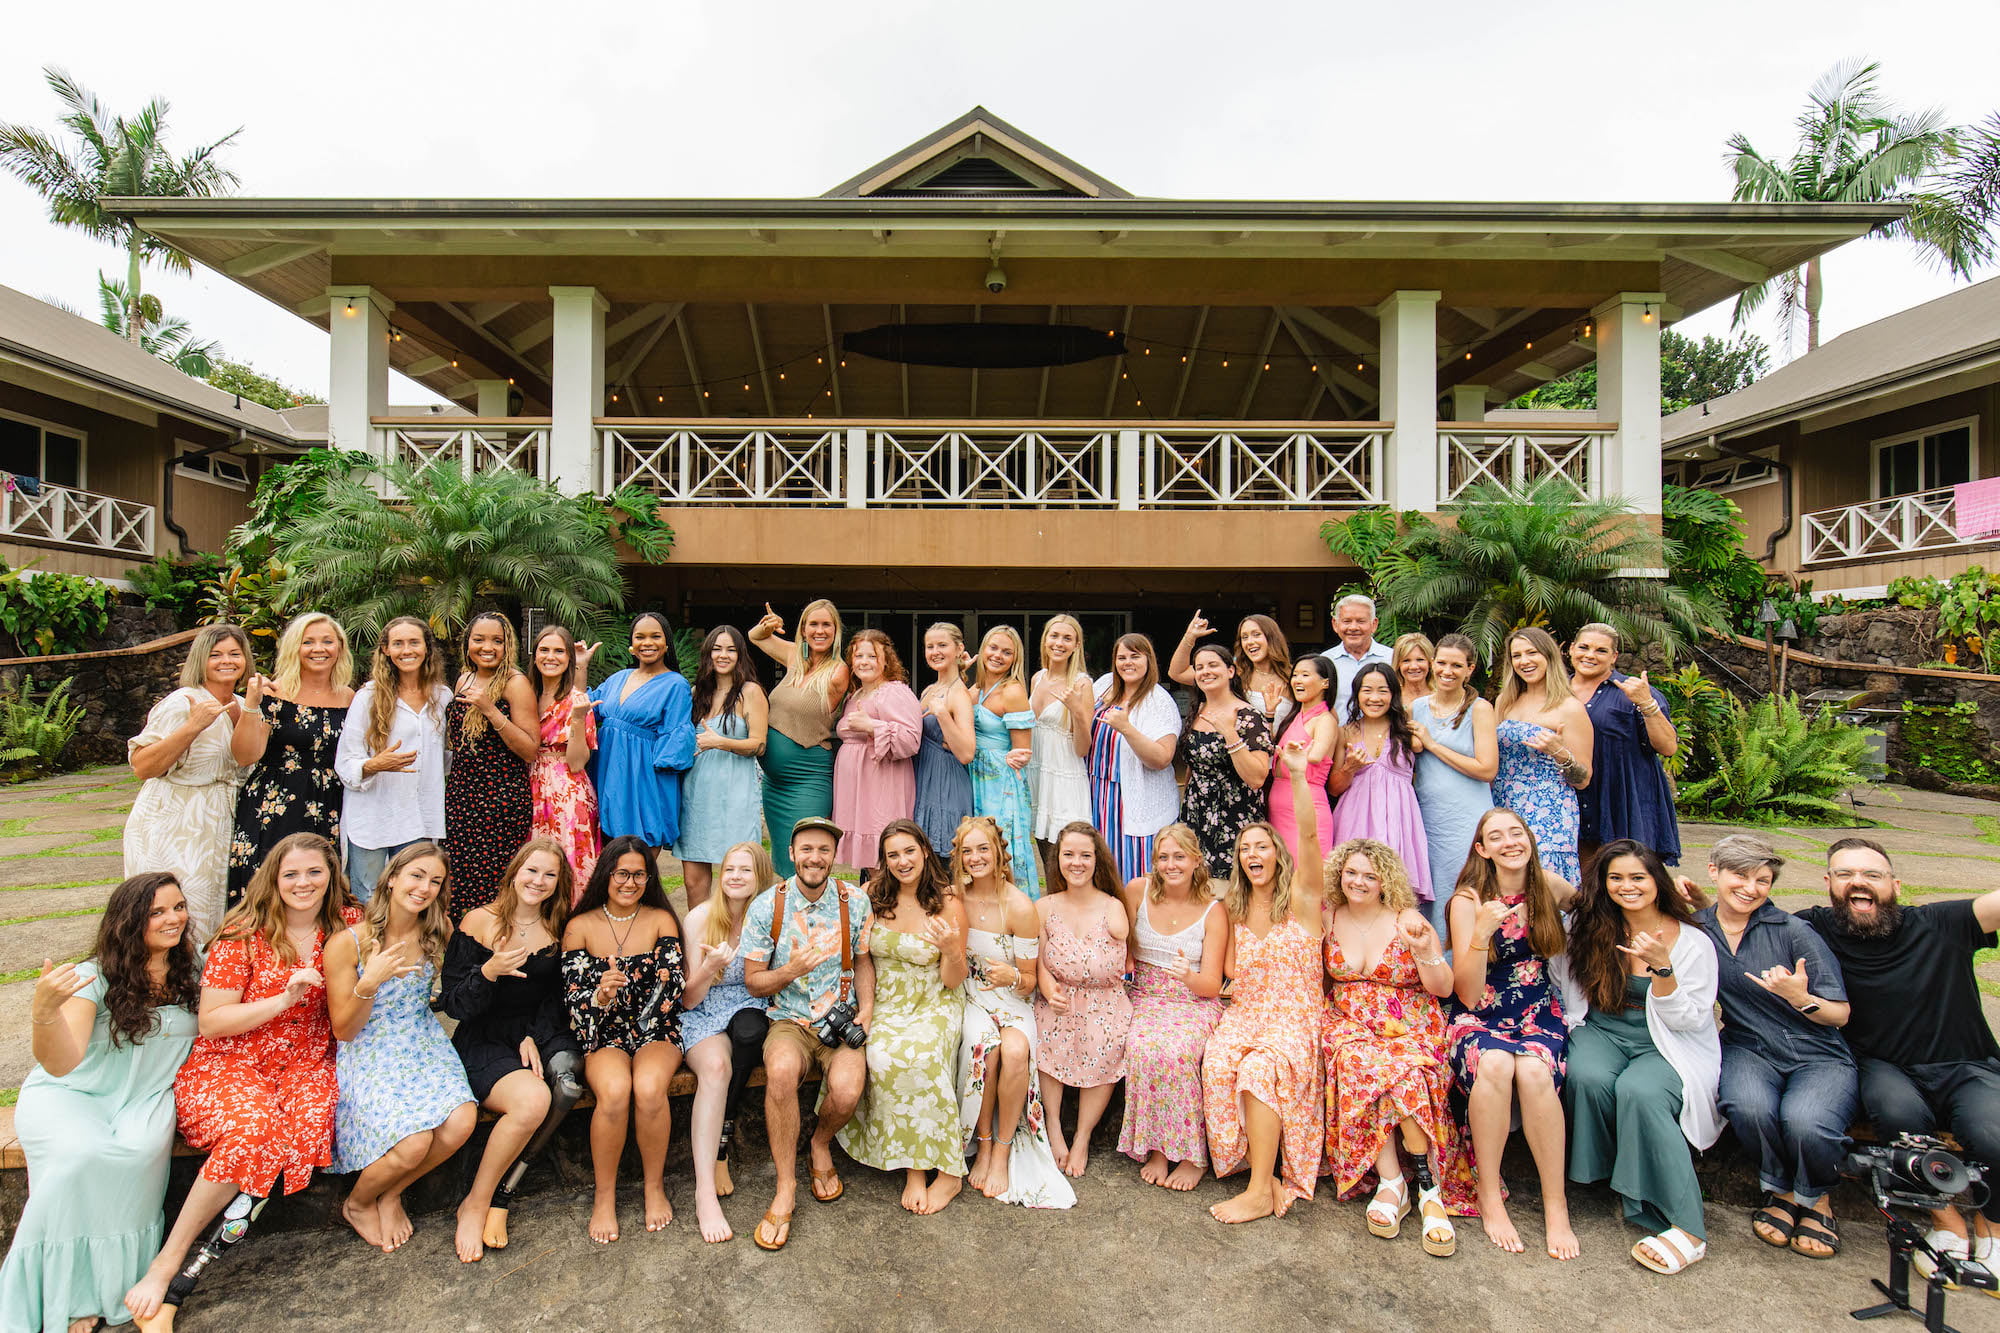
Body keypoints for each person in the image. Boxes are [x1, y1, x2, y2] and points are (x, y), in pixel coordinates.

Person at [124, 834, 358, 1332]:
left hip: (306, 1066)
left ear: (331, 876)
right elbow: (212, 1022)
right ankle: (168, 1263)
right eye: (290, 873)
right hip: (232, 1062)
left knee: (290, 1137)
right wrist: (282, 1000)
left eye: (314, 872)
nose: (303, 883)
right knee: (254, 1135)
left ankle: (185, 1283)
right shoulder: (243, 933)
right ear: (273, 877)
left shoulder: (350, 923)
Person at [0, 874, 198, 1333]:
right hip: (74, 1095)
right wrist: (44, 1013)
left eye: (179, 907)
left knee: (135, 1156)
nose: (174, 919)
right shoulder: (94, 976)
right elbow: (62, 1062)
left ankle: (108, 1290)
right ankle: (69, 1298)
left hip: (145, 1099)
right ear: (130, 922)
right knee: (79, 1156)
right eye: (158, 912)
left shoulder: (195, 968)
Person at [1796, 837, 2000, 1276]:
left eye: (1872, 874)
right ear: (1829, 883)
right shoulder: (1812, 929)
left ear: (1895, 884)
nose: (1858, 883)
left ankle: (1993, 1228)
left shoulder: (1941, 923)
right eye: (1846, 874)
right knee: (1897, 1114)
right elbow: (1740, 922)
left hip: (1964, 1062)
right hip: (1883, 1066)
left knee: (1993, 1132)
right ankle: (1946, 1225)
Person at [1559, 838, 1721, 1276]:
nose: (1627, 886)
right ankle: (1611, 1178)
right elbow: (1565, 979)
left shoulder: (1691, 942)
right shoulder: (1588, 927)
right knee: (1587, 1076)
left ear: (1657, 880)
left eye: (1637, 877)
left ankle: (1687, 1226)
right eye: (1616, 878)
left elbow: (1690, 1020)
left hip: (1665, 1040)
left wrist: (1663, 969)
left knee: (1641, 1092)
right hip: (1604, 1030)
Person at [1688, 834, 1853, 1262]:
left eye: (1762, 880)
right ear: (1714, 872)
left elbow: (1839, 1015)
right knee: (1747, 1106)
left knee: (1806, 1120)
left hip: (1816, 1051)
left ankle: (1818, 1200)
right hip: (1749, 1046)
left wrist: (1799, 997)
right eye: (1739, 876)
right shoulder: (1698, 927)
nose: (1750, 888)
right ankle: (1780, 1190)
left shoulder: (1795, 932)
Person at [1320, 837, 1472, 1257]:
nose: (1359, 881)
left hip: (1409, 1023)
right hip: (1349, 1022)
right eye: (1351, 872)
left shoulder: (1407, 918)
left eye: (1370, 874)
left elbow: (1442, 989)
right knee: (1357, 1061)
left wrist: (1426, 950)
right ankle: (1395, 1182)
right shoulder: (1329, 916)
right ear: (1339, 875)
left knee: (1401, 1070)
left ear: (1385, 880)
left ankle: (1424, 1185)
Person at [324, 842, 476, 1255]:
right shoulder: (347, 943)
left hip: (421, 1039)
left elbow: (464, 984)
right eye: (416, 876)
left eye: (435, 881)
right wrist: (369, 982)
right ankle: (356, 1203)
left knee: (462, 1121)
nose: (424, 887)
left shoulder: (438, 931)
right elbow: (344, 1030)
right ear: (391, 879)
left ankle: (391, 1195)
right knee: (412, 1143)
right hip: (369, 1045)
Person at [440, 839, 584, 1262]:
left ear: (560, 883)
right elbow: (454, 1003)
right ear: (515, 871)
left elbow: (555, 999)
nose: (538, 881)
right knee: (531, 1101)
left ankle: (497, 1196)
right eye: (532, 871)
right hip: (482, 1036)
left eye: (549, 875)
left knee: (566, 1085)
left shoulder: (558, 928)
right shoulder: (477, 922)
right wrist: (488, 971)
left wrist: (532, 1035)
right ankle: (477, 1203)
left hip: (535, 1034)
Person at [1202, 741, 1328, 1223]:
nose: (1253, 853)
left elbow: (1312, 841)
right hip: (1246, 1013)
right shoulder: (1232, 910)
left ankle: (1258, 1191)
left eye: (1262, 846)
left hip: (1294, 1018)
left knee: (1258, 1072)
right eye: (1245, 849)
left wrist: (1297, 775)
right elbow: (1231, 974)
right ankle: (1260, 1170)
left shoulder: (1301, 901)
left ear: (1278, 854)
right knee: (1216, 1065)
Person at [1447, 807, 1579, 1260]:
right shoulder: (1468, 900)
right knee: (1497, 1063)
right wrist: (1481, 933)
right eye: (1496, 837)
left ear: (1529, 839)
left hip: (1538, 1012)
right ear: (1482, 850)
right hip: (1479, 1014)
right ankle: (1487, 1193)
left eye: (1515, 832)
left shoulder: (1549, 886)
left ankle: (1555, 1204)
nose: (1509, 842)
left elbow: (1605, 912)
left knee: (1537, 1073)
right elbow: (1464, 992)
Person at [743, 816, 876, 1249]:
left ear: (833, 856)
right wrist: (790, 971)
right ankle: (786, 1186)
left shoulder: (854, 901)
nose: (814, 858)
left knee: (848, 1089)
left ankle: (820, 1143)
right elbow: (754, 982)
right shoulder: (768, 905)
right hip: (790, 1019)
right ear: (792, 853)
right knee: (780, 1072)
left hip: (840, 1020)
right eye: (807, 849)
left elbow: (865, 961)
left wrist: (868, 1009)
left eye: (823, 850)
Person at [838, 820, 970, 1215]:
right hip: (886, 1000)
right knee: (880, 1055)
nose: (902, 861)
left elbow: (953, 980)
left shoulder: (948, 902)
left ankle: (942, 1172)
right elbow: (861, 959)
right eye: (892, 855)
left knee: (923, 1056)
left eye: (909, 851)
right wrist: (867, 1005)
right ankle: (911, 1165)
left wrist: (951, 950)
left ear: (925, 852)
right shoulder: (871, 896)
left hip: (934, 999)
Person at [562, 837, 686, 1243]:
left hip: (656, 1027)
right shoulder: (579, 927)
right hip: (602, 1031)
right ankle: (605, 1196)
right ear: (606, 874)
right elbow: (573, 1001)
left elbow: (671, 990)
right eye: (622, 873)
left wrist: (627, 992)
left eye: (639, 874)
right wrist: (601, 995)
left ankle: (654, 1186)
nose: (630, 882)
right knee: (614, 1092)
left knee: (650, 1089)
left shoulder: (660, 920)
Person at [952, 815, 1075, 1209]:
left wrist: (1011, 976)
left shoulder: (1020, 906)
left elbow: (1028, 982)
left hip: (1011, 999)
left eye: (982, 849)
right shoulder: (955, 898)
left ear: (999, 853)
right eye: (967, 851)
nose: (975, 858)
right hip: (971, 996)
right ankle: (982, 1143)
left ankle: (1003, 1150)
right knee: (984, 1046)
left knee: (1017, 1051)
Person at [679, 842, 779, 1244]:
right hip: (704, 1008)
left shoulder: (770, 917)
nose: (736, 877)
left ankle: (723, 1144)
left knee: (752, 1033)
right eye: (730, 869)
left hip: (754, 1002)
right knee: (716, 1068)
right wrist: (708, 967)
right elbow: (688, 998)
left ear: (760, 878)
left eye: (746, 870)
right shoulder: (701, 918)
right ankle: (704, 1191)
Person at [126, 624, 250, 949]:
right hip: (174, 820)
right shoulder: (183, 702)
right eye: (216, 654)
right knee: (170, 911)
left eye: (234, 654)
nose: (227, 661)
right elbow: (142, 766)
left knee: (212, 915)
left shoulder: (245, 705)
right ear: (201, 660)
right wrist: (193, 726)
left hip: (221, 820)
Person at [1116, 823, 1226, 1191]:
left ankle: (1193, 1155)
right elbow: (1120, 941)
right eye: (1163, 857)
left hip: (1192, 1000)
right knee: (1143, 1046)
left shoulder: (1214, 911)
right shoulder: (1137, 890)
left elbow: (1212, 984)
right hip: (1144, 996)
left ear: (1196, 860)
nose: (1170, 864)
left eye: (1179, 856)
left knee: (1177, 1052)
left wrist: (1188, 977)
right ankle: (1158, 1150)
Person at [225, 612, 354, 906]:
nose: (318, 649)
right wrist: (251, 705)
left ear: (340, 648)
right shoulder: (274, 692)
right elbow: (246, 755)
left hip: (329, 804)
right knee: (270, 885)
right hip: (275, 801)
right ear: (294, 648)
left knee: (320, 889)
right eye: (308, 642)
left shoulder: (350, 698)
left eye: (327, 641)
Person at [1036, 822, 1133, 1178]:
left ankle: (1083, 1136)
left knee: (1106, 1039)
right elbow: (1039, 960)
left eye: (1085, 856)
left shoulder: (1113, 907)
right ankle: (1054, 1126)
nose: (1076, 863)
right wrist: (1048, 990)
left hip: (1104, 1000)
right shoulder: (1044, 907)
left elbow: (1124, 958)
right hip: (1059, 997)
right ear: (1057, 859)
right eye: (1068, 855)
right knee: (1047, 1028)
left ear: (1097, 861)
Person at [335, 616, 451, 904]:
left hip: (420, 816)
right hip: (373, 816)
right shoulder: (368, 697)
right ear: (385, 650)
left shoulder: (443, 697)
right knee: (369, 898)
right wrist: (375, 765)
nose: (406, 650)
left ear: (427, 649)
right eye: (397, 643)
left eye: (414, 642)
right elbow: (345, 761)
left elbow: (446, 760)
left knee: (415, 897)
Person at [444, 612, 538, 920]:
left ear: (508, 645)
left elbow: (529, 749)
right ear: (467, 643)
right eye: (479, 639)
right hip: (462, 796)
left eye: (497, 640)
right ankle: (466, 949)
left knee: (495, 883)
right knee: (463, 879)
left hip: (500, 799)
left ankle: (497, 947)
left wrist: (490, 710)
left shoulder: (515, 683)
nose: (488, 647)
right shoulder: (464, 679)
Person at [749, 600, 848, 878]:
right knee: (783, 855)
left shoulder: (839, 672)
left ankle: (814, 916)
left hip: (808, 778)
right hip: (774, 784)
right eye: (813, 624)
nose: (819, 631)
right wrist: (767, 627)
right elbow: (754, 638)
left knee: (807, 853)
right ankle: (789, 916)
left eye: (826, 625)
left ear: (836, 630)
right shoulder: (795, 659)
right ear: (803, 630)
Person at [1568, 623, 1680, 867]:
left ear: (1614, 657)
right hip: (1569, 797)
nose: (1590, 655)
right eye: (1584, 647)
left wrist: (1646, 704)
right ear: (1571, 649)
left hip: (1622, 798)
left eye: (1601, 650)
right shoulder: (1554, 691)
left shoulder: (1634, 691)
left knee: (1625, 874)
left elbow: (1668, 747)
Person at [590, 612, 698, 858]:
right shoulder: (617, 678)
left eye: (655, 636)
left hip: (645, 777)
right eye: (640, 636)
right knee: (606, 857)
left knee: (639, 853)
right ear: (631, 645)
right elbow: (585, 709)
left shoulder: (675, 684)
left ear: (666, 643)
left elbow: (675, 741)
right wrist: (581, 665)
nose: (647, 642)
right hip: (607, 769)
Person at [1410, 633, 1497, 939]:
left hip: (1466, 816)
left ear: (1470, 669)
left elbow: (1487, 769)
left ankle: (1468, 965)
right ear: (1432, 663)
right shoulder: (1418, 707)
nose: (1447, 671)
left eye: (1457, 665)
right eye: (1442, 663)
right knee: (1431, 890)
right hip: (1428, 816)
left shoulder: (1480, 708)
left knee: (1466, 887)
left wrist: (1432, 744)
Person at [677, 626, 767, 909]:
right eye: (717, 648)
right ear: (708, 654)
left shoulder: (750, 692)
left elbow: (759, 744)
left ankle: (738, 945)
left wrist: (721, 742)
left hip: (735, 794)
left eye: (730, 649)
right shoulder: (696, 693)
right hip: (697, 793)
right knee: (693, 881)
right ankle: (699, 944)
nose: (723, 655)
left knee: (738, 880)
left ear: (740, 655)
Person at [1493, 627, 1592, 883]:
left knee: (1543, 879)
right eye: (1517, 656)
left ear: (1548, 656)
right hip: (1505, 803)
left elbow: (1583, 779)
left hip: (1549, 808)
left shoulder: (1570, 707)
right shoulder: (1505, 700)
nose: (1524, 661)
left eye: (1532, 653)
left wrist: (1558, 752)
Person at [1328, 660, 1431, 905]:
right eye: (1367, 690)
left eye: (1383, 691)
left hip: (1398, 819)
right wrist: (1349, 768)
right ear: (1357, 695)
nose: (1375, 698)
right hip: (1355, 817)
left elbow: (1420, 748)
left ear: (1394, 694)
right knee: (1353, 889)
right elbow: (1334, 787)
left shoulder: (1408, 730)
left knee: (1395, 894)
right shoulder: (1346, 732)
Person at [1089, 634, 1182, 881]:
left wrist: (1126, 728)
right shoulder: (1104, 686)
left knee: (1133, 874)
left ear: (1149, 660)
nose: (1127, 663)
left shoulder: (1158, 700)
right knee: (1101, 870)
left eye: (1135, 656)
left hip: (1133, 798)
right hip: (1098, 796)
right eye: (1121, 657)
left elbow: (1162, 758)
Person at [1177, 643, 1274, 878]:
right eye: (1199, 667)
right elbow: (1193, 766)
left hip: (1234, 816)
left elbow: (1257, 777)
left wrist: (1230, 734)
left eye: (1213, 665)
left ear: (1231, 671)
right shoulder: (1197, 711)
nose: (1205, 671)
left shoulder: (1249, 716)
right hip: (1196, 813)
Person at [832, 629, 923, 872]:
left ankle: (888, 904)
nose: (864, 661)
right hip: (858, 787)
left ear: (886, 660)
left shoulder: (894, 692)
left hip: (881, 783)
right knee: (869, 865)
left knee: (885, 853)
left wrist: (871, 726)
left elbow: (911, 739)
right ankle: (873, 902)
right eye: (858, 656)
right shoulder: (855, 694)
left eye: (872, 656)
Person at [527, 625, 601, 886]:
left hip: (566, 792)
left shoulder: (577, 699)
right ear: (534, 655)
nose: (551, 657)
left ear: (569, 657)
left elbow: (577, 762)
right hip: (528, 787)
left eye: (559, 651)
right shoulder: (524, 693)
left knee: (566, 865)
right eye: (544, 650)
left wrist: (578, 719)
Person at [970, 625, 1041, 897]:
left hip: (1001, 781)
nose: (998, 655)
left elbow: (1023, 752)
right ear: (983, 649)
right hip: (975, 775)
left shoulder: (1012, 690)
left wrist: (1003, 757)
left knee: (1004, 846)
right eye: (993, 648)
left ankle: (1017, 910)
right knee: (978, 848)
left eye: (1007, 652)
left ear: (1015, 658)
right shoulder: (976, 689)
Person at [1029, 614, 1094, 853]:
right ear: (1045, 640)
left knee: (1067, 855)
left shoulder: (1081, 684)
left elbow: (1082, 749)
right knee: (1045, 855)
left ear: (1076, 645)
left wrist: (1077, 711)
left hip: (1064, 780)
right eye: (1054, 636)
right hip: (1037, 776)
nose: (1059, 643)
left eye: (1067, 638)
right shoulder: (1037, 678)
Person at [914, 621, 977, 857]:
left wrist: (942, 715)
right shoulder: (930, 689)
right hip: (925, 777)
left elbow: (967, 753)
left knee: (943, 861)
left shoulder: (958, 693)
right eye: (930, 646)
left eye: (942, 645)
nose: (935, 651)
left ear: (959, 649)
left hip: (946, 785)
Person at [1170, 610, 1294, 723]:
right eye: (1244, 637)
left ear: (1272, 638)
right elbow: (1177, 673)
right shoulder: (1235, 673)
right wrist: (1190, 637)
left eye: (1256, 634)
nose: (1250, 642)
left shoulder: (1292, 676)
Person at [1267, 656, 1336, 861]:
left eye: (1305, 675)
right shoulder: (1294, 717)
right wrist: (1270, 715)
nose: (1297, 680)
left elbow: (1315, 755)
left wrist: (1295, 755)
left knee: (1307, 876)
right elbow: (1271, 749)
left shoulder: (1325, 719)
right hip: (1278, 806)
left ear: (1325, 682)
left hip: (1306, 805)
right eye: (1295, 675)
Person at [1317, 593, 1391, 718]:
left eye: (1361, 621)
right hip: (1338, 735)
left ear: (1374, 624)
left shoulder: (1391, 658)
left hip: (1382, 736)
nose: (1353, 627)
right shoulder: (1325, 661)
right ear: (1335, 624)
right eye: (1347, 621)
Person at [1391, 633, 1435, 713]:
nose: (1413, 666)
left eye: (1420, 660)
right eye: (1406, 661)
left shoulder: (1440, 696)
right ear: (1398, 664)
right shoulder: (1391, 697)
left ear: (1430, 663)